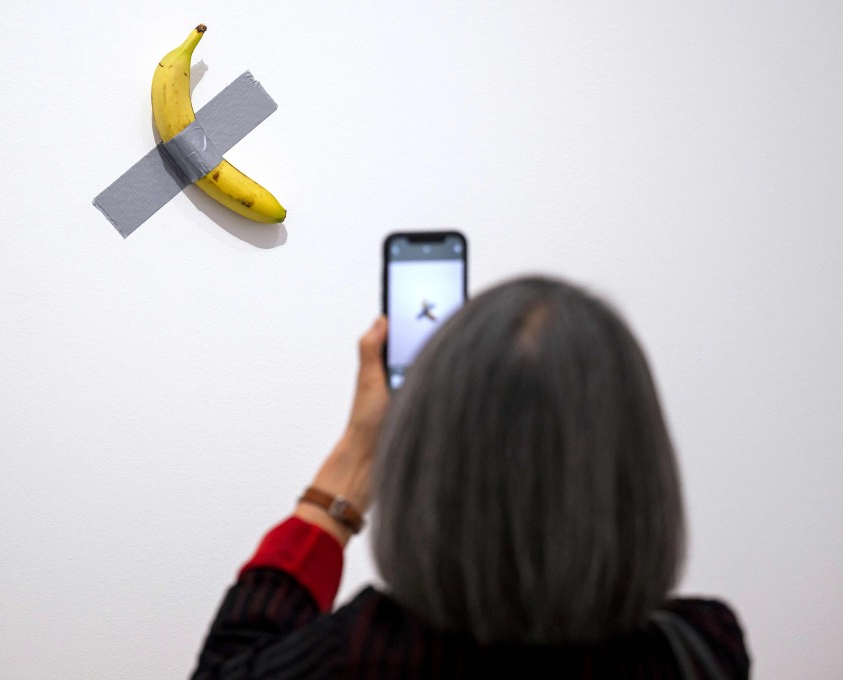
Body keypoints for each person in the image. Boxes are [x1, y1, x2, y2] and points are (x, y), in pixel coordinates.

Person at [190, 276, 750, 679]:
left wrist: (354, 462)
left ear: (425, 473)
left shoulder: (363, 653)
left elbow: (230, 663)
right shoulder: (702, 652)